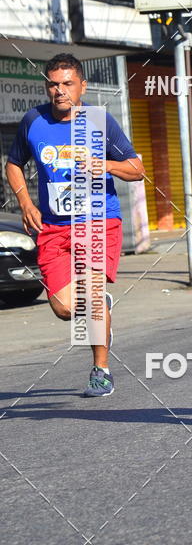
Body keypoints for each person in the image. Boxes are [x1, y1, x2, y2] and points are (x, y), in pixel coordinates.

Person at [5, 53, 145, 396]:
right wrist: (25, 202)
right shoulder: (33, 120)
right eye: (53, 84)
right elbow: (13, 163)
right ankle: (98, 306)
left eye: (67, 83)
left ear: (82, 86)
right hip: (53, 227)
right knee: (65, 308)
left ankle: (101, 369)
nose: (60, 90)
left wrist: (104, 165)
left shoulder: (99, 121)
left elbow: (137, 169)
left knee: (92, 295)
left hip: (98, 220)